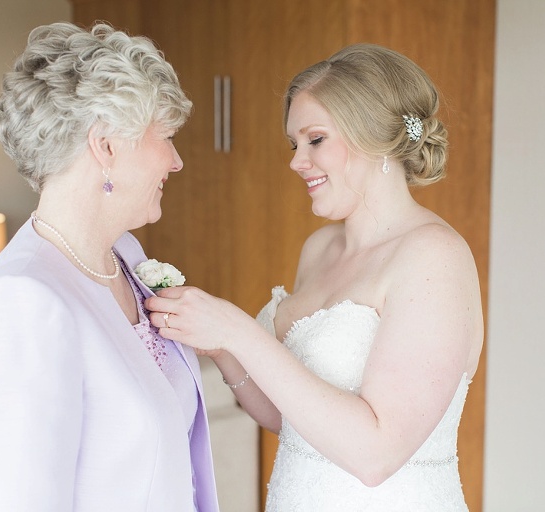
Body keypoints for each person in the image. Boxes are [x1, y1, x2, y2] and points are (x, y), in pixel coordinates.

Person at [146, 43, 484, 511]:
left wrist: (237, 328)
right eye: (294, 143)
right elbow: (288, 418)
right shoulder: (319, 249)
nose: (296, 161)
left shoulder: (433, 257)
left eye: (315, 140)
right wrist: (221, 346)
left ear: (372, 135)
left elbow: (375, 456)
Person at [0, 22, 219, 512]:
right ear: (106, 146)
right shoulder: (20, 302)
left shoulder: (127, 259)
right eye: (166, 137)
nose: (176, 162)